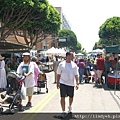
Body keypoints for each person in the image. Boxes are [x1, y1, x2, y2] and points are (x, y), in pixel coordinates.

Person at [56, 52, 79, 118]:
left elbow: (76, 75)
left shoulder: (74, 65)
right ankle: (63, 111)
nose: (73, 57)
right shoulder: (61, 64)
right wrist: (58, 83)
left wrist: (77, 83)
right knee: (62, 97)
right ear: (68, 56)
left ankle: (70, 106)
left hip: (71, 83)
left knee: (71, 97)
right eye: (72, 56)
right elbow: (58, 74)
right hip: (63, 82)